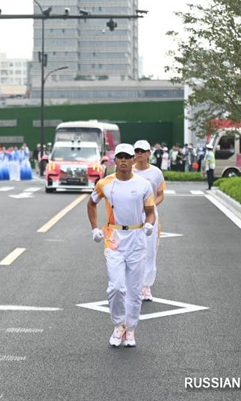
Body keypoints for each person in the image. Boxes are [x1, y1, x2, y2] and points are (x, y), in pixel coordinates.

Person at [87, 143, 156, 348]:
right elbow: (91, 203)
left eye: (127, 157)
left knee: (134, 290)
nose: (124, 160)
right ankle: (119, 325)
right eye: (120, 157)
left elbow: (150, 210)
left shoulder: (143, 184)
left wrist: (149, 225)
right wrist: (94, 228)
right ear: (114, 160)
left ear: (134, 160)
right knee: (116, 287)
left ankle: (131, 329)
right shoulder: (105, 184)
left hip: (137, 237)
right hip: (114, 238)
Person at [132, 140, 166, 302]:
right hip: (131, 216)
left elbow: (160, 194)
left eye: (142, 151)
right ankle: (132, 284)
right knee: (131, 250)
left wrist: (151, 205)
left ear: (148, 154)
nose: (139, 153)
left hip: (150, 216)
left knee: (150, 251)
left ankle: (146, 287)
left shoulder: (156, 173)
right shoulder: (128, 171)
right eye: (137, 150)